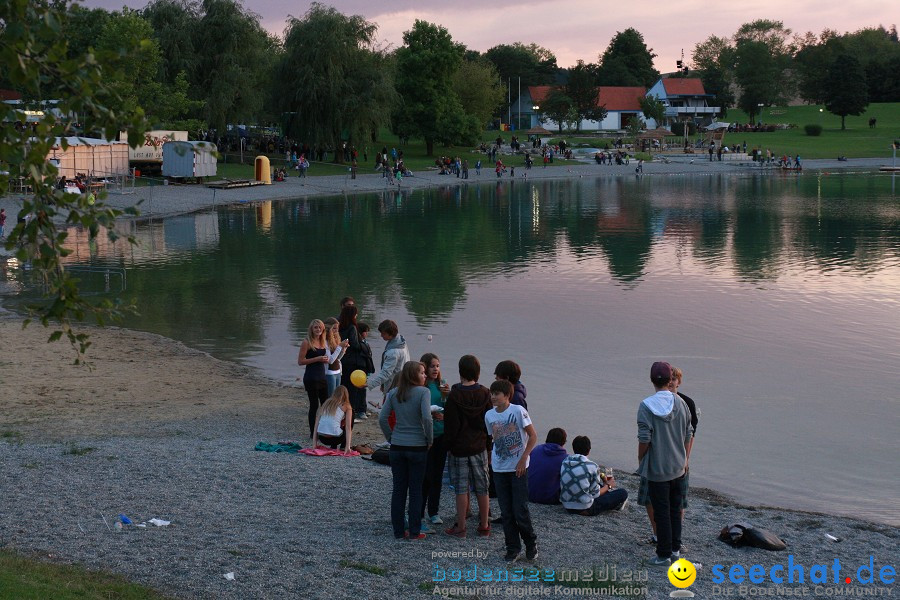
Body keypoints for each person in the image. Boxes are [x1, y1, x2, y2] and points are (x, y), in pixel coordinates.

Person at [637, 361, 693, 567]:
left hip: (657, 468)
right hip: (679, 467)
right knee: (675, 510)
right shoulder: (682, 404)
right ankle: (675, 550)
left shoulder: (646, 406)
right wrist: (685, 459)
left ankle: (663, 554)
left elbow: (644, 438)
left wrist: (641, 460)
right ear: (670, 380)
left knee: (661, 512)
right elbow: (689, 432)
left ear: (652, 380)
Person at [379, 361, 433, 540]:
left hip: (397, 446)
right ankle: (415, 531)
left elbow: (382, 418)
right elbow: (427, 418)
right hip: (417, 447)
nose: (425, 375)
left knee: (399, 489)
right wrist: (429, 439)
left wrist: (391, 437)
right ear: (413, 375)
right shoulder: (424, 392)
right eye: (422, 372)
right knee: (416, 490)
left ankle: (398, 531)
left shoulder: (394, 392)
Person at [486, 379, 538, 562]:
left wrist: (523, 459)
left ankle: (531, 543)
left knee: (520, 510)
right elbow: (492, 439)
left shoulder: (518, 411)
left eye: (496, 394)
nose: (493, 397)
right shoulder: (489, 415)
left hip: (518, 469)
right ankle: (512, 547)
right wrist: (490, 461)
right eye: (492, 393)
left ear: (507, 396)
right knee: (506, 512)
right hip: (499, 469)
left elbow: (533, 436)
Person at [442, 355, 492, 539]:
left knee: (461, 488)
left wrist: (448, 446)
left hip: (459, 448)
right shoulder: (486, 393)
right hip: (479, 446)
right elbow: (489, 424)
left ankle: (461, 527)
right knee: (482, 487)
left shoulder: (454, 395)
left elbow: (451, 426)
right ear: (477, 372)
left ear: (460, 371)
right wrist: (488, 446)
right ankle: (484, 525)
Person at [419, 353, 451, 530]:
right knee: (425, 476)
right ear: (424, 367)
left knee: (437, 475)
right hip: (425, 436)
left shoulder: (443, 385)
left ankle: (434, 511)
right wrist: (430, 414)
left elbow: (449, 410)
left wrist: (447, 399)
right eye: (432, 366)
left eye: (437, 366)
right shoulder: (421, 386)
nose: (435, 369)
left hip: (441, 434)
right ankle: (420, 512)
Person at [559, 435, 628, 515]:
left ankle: (608, 491)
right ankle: (613, 501)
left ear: (574, 449)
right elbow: (595, 494)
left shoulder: (565, 462)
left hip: (567, 506)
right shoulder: (592, 466)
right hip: (586, 508)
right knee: (623, 493)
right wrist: (608, 486)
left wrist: (604, 484)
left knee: (598, 485)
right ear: (589, 450)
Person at [366, 320, 410, 406]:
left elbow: (386, 373)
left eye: (383, 333)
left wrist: (370, 384)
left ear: (390, 333)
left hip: (393, 385)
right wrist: (382, 384)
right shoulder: (401, 341)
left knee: (388, 412)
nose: (381, 335)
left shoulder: (393, 353)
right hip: (403, 382)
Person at [298, 319, 330, 437]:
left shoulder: (323, 342)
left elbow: (328, 358)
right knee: (314, 405)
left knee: (326, 404)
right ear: (311, 329)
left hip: (322, 376)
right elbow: (300, 361)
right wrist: (318, 359)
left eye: (320, 327)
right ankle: (313, 432)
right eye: (315, 327)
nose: (318, 329)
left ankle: (324, 430)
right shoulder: (307, 342)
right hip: (311, 377)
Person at [338, 305, 369, 419]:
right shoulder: (352, 327)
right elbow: (355, 344)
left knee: (344, 385)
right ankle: (352, 411)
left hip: (342, 359)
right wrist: (364, 345)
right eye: (355, 314)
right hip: (352, 361)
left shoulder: (339, 326)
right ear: (352, 315)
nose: (357, 316)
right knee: (353, 388)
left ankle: (342, 409)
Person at [527, 428, 568, 504]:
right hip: (550, 499)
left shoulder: (536, 449)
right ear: (563, 442)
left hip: (530, 494)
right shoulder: (565, 458)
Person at [312, 385, 353, 453]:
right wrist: (348, 447)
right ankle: (344, 446)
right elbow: (348, 427)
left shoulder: (326, 403)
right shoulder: (346, 405)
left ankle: (333, 446)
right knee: (351, 415)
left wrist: (314, 445)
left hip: (322, 438)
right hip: (337, 438)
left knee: (333, 421)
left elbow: (316, 425)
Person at [323, 317, 349, 398]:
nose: (336, 331)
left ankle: (334, 410)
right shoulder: (324, 341)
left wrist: (343, 348)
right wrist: (339, 347)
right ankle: (327, 410)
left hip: (338, 371)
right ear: (328, 328)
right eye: (334, 328)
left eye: (337, 328)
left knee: (337, 397)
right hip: (329, 373)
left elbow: (337, 359)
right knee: (331, 397)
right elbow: (330, 360)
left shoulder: (335, 339)